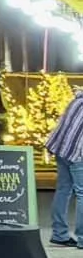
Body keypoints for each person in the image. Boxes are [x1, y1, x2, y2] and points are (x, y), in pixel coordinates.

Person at [47, 86, 83, 248]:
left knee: (63, 190)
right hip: (78, 153)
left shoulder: (76, 101)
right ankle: (82, 238)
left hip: (61, 149)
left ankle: (59, 234)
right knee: (82, 193)